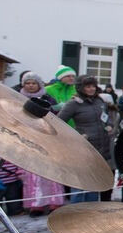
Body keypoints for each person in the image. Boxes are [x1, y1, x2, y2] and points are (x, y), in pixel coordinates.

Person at [58, 74, 113, 202]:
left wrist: (109, 125)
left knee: (94, 184)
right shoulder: (73, 104)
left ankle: (91, 213)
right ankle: (75, 213)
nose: (92, 89)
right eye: (88, 86)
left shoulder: (100, 101)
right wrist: (75, 135)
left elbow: (106, 118)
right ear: (81, 88)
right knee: (80, 183)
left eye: (93, 86)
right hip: (84, 148)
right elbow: (58, 122)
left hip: (101, 148)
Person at [18, 72, 65, 216]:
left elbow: (54, 117)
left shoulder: (47, 98)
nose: (31, 85)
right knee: (32, 174)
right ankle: (35, 204)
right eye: (28, 83)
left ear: (39, 84)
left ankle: (54, 202)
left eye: (33, 83)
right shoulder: (17, 97)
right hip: (27, 137)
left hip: (47, 138)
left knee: (51, 172)